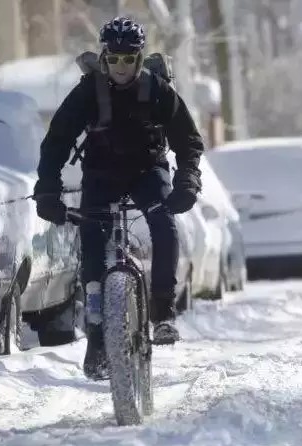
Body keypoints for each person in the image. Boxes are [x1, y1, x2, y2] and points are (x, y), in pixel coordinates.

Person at [33, 17, 204, 379]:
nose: (121, 67)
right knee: (92, 239)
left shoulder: (157, 90)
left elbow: (188, 141)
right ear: (104, 57)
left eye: (129, 59)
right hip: (101, 175)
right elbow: (57, 141)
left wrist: (187, 180)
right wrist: (48, 187)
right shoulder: (87, 92)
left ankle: (163, 313)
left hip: (148, 172)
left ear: (140, 59)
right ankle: (97, 335)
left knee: (163, 222)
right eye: (114, 59)